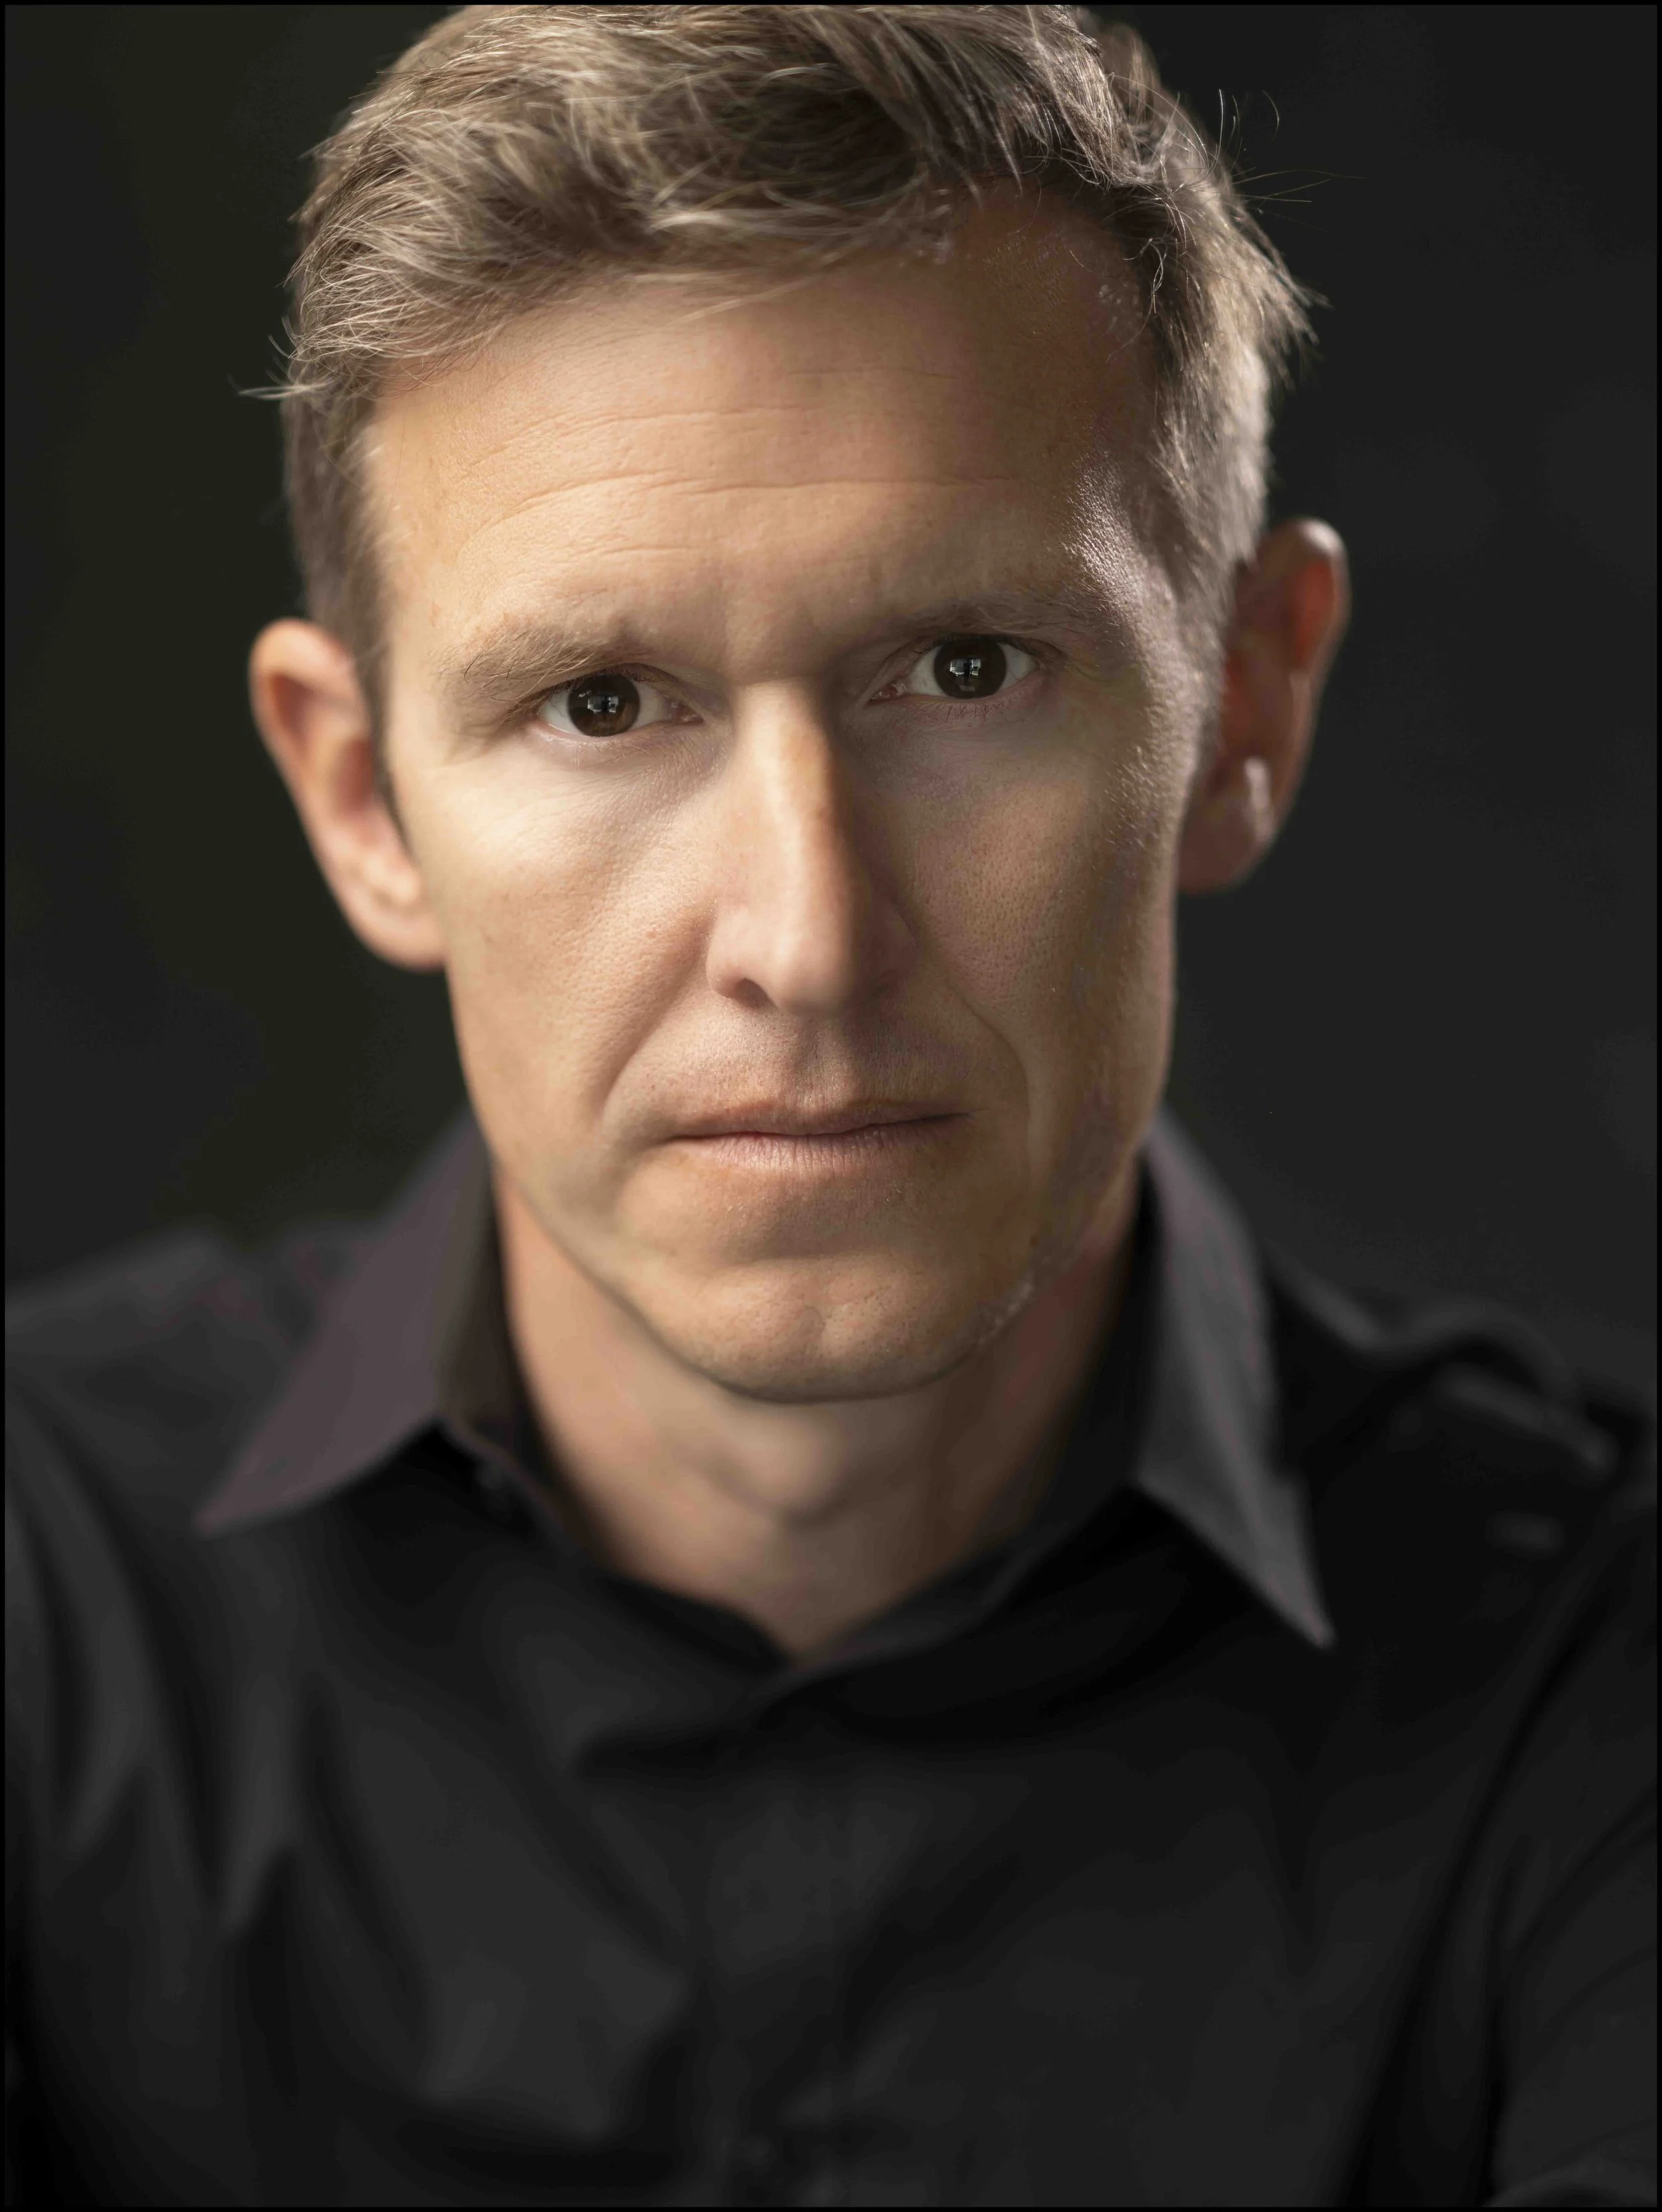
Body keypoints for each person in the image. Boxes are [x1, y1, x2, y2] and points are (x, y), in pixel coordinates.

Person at [5, 7, 1653, 2205]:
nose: (805, 935)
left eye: (965, 672)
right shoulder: (35, 1595)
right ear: (357, 797)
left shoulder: (1598, 1669)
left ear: (1244, 704)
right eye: (601, 703)